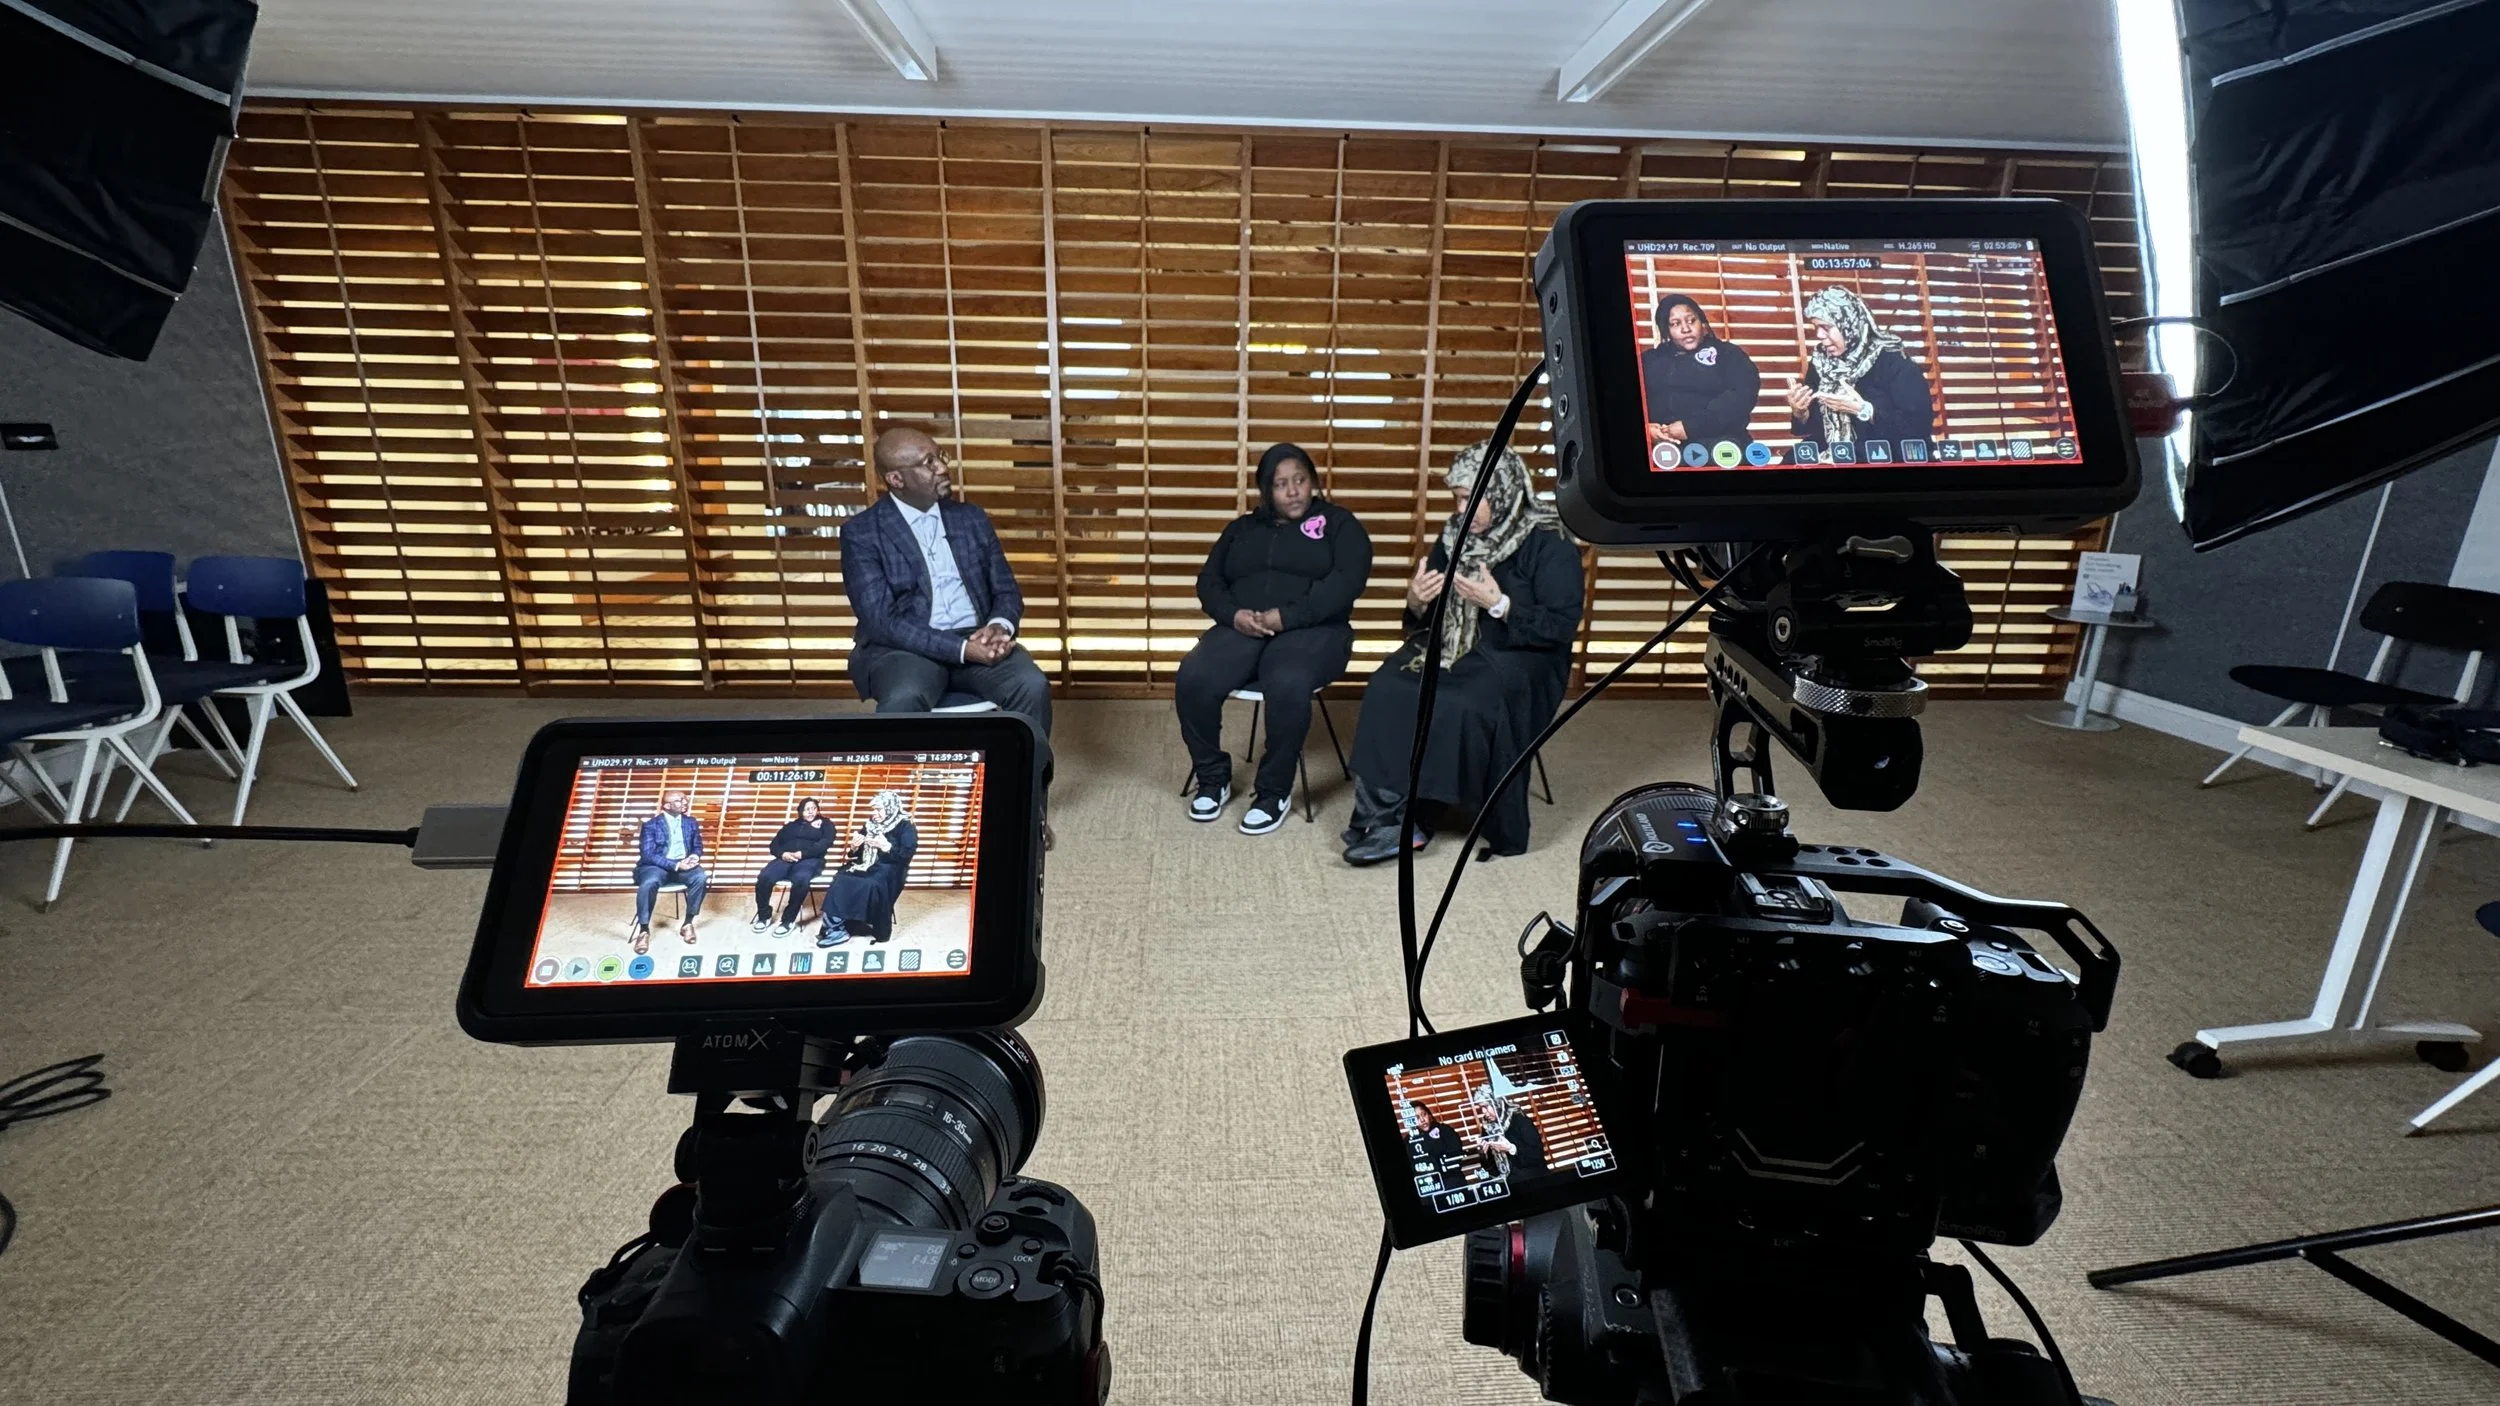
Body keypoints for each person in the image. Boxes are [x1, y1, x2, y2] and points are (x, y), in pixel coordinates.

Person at [1341, 441, 1583, 865]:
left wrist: (1499, 604)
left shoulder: (1550, 539)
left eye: (1472, 497)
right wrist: (1417, 600)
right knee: (1388, 685)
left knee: (1459, 700)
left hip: (1522, 654)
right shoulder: (1453, 536)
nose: (1461, 507)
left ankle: (1419, 811)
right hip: (1453, 646)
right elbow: (1425, 619)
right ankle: (1388, 818)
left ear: (1503, 490)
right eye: (1457, 497)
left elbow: (1560, 627)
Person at [1177, 442, 1374, 833]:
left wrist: (1287, 617)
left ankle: (1273, 790)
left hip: (1315, 630)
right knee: (1194, 677)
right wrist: (1235, 616)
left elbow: (1346, 582)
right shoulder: (1241, 529)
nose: (1293, 491)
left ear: (1312, 482)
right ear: (1266, 490)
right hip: (1244, 627)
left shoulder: (1339, 524)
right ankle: (1213, 777)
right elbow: (1209, 582)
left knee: (1286, 681)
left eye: (1300, 480)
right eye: (1281, 484)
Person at [841, 426, 1051, 737]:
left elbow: (1006, 591)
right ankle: (895, 786)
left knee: (1032, 686)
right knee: (904, 698)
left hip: (977, 638)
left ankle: (1027, 785)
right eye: (928, 462)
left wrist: (998, 626)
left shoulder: (972, 519)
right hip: (904, 650)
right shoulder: (861, 533)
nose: (942, 467)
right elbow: (882, 621)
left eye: (940, 456)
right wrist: (962, 649)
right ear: (896, 480)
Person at [1785, 285, 1936, 455]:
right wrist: (1801, 412)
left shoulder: (1894, 360)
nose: (1819, 335)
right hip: (1835, 454)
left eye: (1826, 327)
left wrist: (1864, 411)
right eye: (1816, 327)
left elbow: (1919, 427)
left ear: (1849, 324)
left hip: (1885, 457)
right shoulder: (1820, 361)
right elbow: (1814, 428)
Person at [1640, 293, 1762, 457]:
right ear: (1666, 331)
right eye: (1675, 324)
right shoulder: (1649, 360)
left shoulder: (1727, 354)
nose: (1686, 329)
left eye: (1691, 321)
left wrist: (1689, 427)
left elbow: (1741, 396)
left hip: (1723, 445)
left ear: (1702, 323)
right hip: (1663, 448)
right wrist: (1646, 428)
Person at [819, 790, 919, 948]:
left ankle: (852, 922)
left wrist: (885, 846)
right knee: (841, 877)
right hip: (865, 863)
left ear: (890, 807)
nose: (875, 813)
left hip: (891, 867)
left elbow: (906, 855)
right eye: (874, 809)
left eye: (879, 809)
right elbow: (855, 854)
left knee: (870, 883)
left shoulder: (905, 825)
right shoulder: (870, 823)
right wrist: (854, 846)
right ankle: (836, 929)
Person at [631, 789, 707, 953]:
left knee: (700, 877)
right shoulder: (651, 825)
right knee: (649, 882)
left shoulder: (691, 822)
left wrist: (694, 857)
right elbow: (648, 854)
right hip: (656, 866)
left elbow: (697, 846)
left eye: (685, 799)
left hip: (684, 864)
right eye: (680, 800)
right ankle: (644, 930)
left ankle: (688, 923)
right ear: (667, 805)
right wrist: (676, 865)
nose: (685, 802)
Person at [751, 797, 834, 936]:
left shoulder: (826, 824)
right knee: (765, 877)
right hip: (786, 858)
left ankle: (788, 920)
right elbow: (774, 845)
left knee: (801, 879)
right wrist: (782, 854)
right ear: (800, 811)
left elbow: (825, 844)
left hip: (810, 859)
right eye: (807, 809)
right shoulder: (791, 826)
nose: (811, 812)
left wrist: (802, 854)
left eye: (814, 808)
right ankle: (764, 916)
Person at [1467, 1085, 1548, 1184]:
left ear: (1497, 1102)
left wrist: (1511, 1148)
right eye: (1481, 1108)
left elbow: (1537, 1155)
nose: (1484, 1112)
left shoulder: (1519, 1119)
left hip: (1534, 1181)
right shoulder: (1487, 1127)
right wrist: (1483, 1155)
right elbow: (1490, 1169)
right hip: (1507, 1185)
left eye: (1486, 1106)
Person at [1410, 1102, 1469, 1178]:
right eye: (1417, 1117)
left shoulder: (1445, 1130)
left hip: (1453, 1178)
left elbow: (1457, 1156)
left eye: (1424, 1114)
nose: (1422, 1120)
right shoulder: (1410, 1141)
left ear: (1429, 1115)